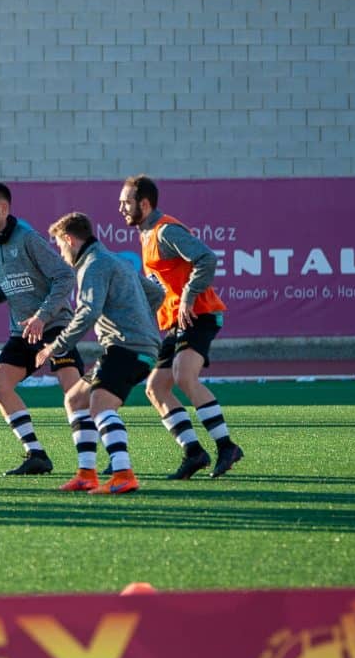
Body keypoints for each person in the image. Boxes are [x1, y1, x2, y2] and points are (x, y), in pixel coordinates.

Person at [36, 211, 166, 496]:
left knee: (100, 407)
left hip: (127, 348)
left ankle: (123, 474)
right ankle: (86, 474)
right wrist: (139, 321)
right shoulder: (112, 258)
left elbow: (87, 313)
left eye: (59, 245)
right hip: (130, 346)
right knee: (76, 398)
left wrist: (54, 347)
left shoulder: (93, 264)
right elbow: (157, 295)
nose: (61, 252)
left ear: (69, 239)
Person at [124, 175, 244, 480]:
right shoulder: (146, 233)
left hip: (199, 314)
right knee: (155, 388)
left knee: (183, 376)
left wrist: (189, 296)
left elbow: (206, 257)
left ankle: (227, 446)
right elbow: (161, 285)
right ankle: (194, 452)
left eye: (126, 203)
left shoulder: (165, 231)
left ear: (145, 203)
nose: (122, 208)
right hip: (176, 322)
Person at [0, 182, 87, 482]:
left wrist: (42, 316)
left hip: (55, 325)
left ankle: (105, 456)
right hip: (21, 331)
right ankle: (36, 454)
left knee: (74, 392)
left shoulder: (28, 238)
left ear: (4, 209)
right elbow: (13, 285)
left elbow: (64, 277)